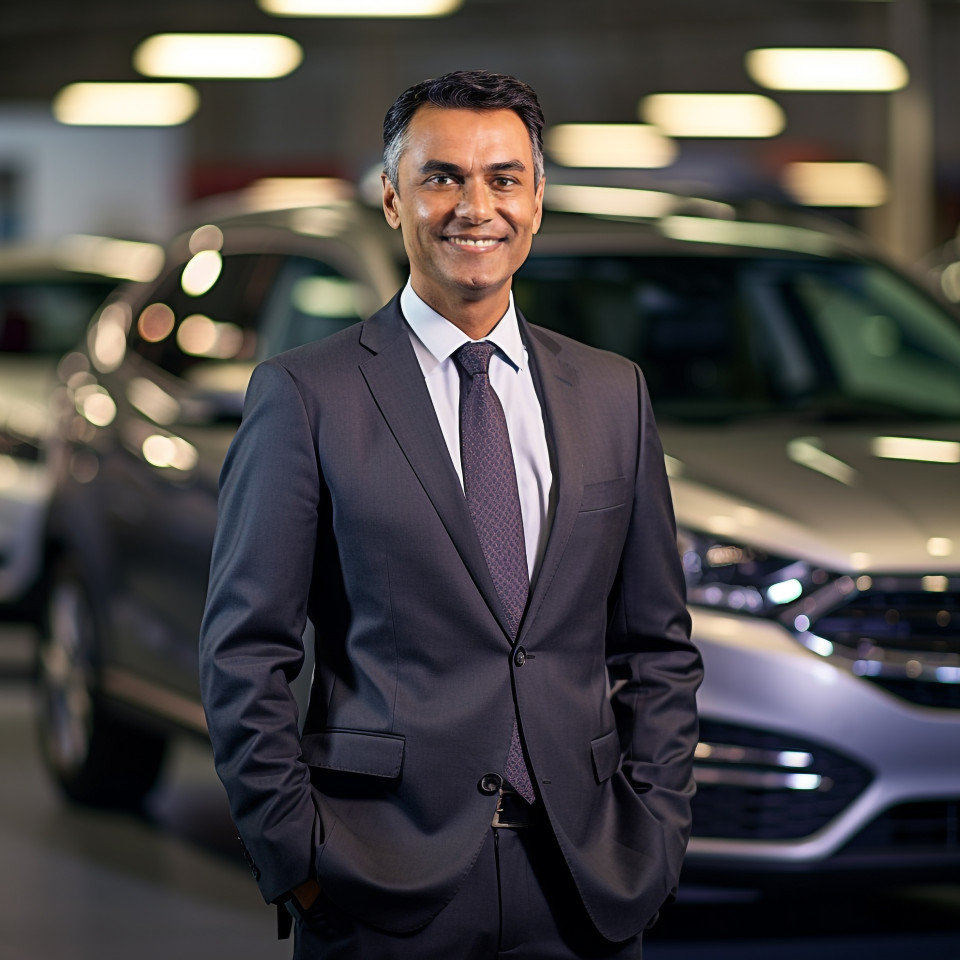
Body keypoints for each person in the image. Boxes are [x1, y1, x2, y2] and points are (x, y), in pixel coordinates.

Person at [199, 69, 702, 959]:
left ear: (538, 200)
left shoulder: (613, 394)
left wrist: (654, 835)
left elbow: (657, 647)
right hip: (378, 880)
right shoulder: (306, 395)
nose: (477, 206)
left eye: (504, 178)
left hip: (582, 878)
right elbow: (245, 653)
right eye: (443, 177)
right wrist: (297, 859)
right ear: (393, 199)